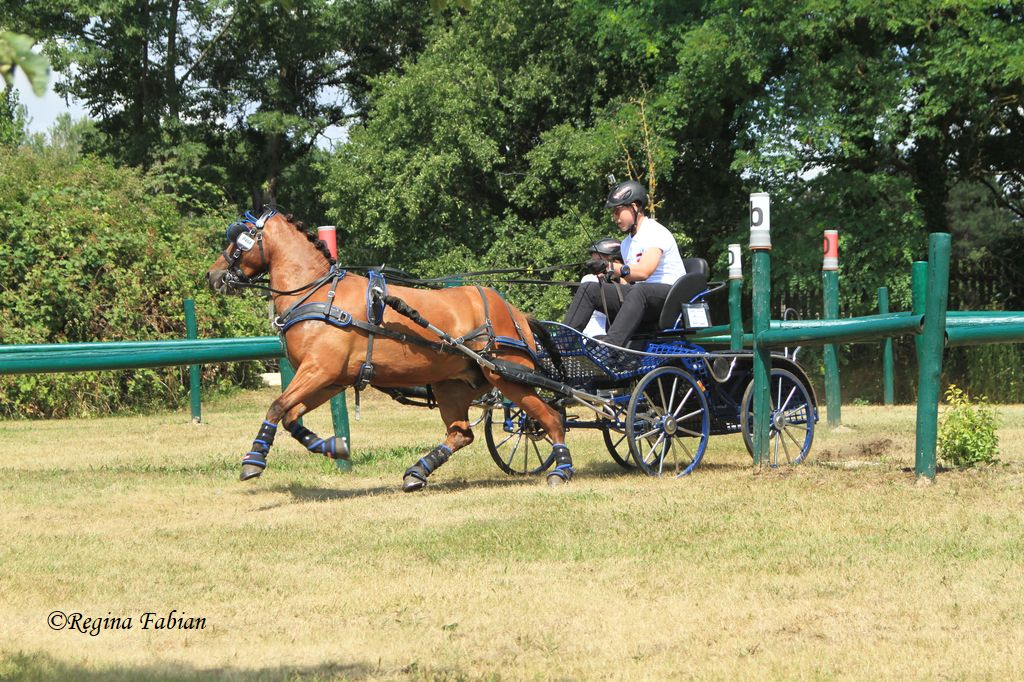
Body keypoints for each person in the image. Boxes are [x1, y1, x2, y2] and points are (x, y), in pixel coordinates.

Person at [562, 180, 686, 346]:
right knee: (590, 289)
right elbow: (627, 281)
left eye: (617, 211)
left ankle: (609, 349)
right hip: (642, 298)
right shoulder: (626, 243)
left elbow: (643, 272)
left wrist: (611, 266)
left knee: (639, 290)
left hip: (670, 296)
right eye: (613, 213)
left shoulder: (655, 231)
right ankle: (560, 347)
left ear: (634, 206)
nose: (615, 218)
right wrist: (606, 277)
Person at [580, 238, 624, 337]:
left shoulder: (631, 287)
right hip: (591, 340)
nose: (596, 271)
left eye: (600, 264)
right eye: (594, 265)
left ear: (617, 262)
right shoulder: (590, 280)